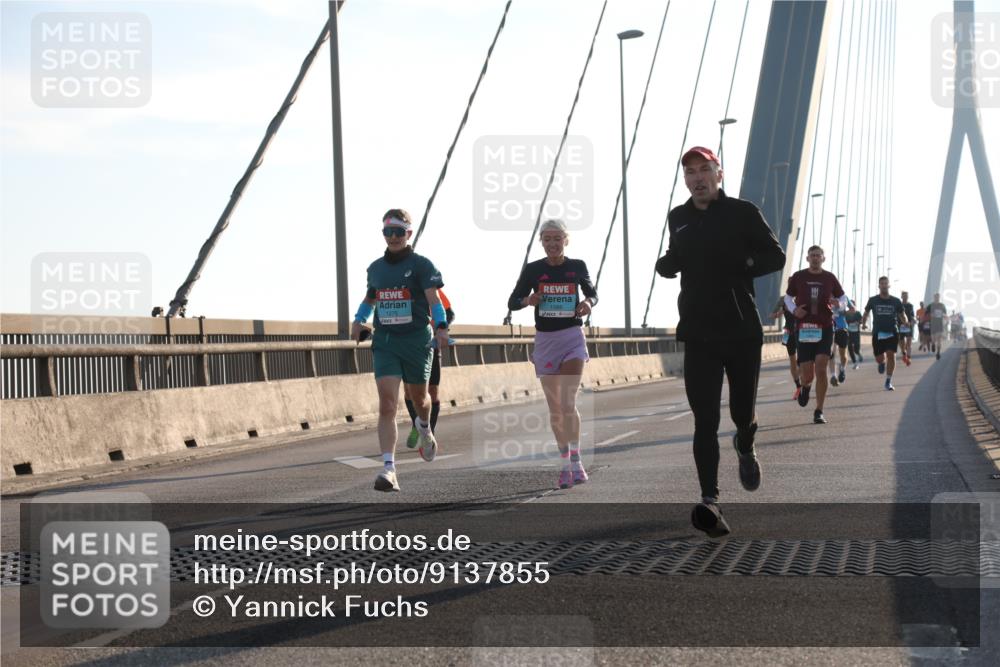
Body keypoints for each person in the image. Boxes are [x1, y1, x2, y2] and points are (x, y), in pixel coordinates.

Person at [655, 146, 785, 538]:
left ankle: (745, 444)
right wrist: (667, 263)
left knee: (741, 414)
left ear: (719, 174)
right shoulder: (678, 218)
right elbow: (677, 255)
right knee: (704, 419)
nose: (697, 178)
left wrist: (743, 264)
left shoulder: (743, 213)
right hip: (698, 333)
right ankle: (710, 500)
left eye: (704, 170)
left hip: (742, 332)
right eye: (690, 172)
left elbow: (774, 256)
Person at [351, 209, 449, 492]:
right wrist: (359, 320)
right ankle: (389, 469)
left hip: (417, 341)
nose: (393, 237)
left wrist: (441, 326)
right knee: (387, 404)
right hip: (386, 342)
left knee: (421, 399)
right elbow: (370, 299)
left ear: (408, 233)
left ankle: (425, 429)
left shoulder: (422, 265)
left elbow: (434, 301)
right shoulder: (376, 268)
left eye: (398, 232)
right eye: (387, 232)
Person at [508, 219, 597, 491]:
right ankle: (565, 463)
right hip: (545, 341)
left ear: (565, 240)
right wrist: (528, 301)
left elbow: (593, 293)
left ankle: (576, 461)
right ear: (542, 242)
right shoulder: (534, 270)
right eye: (547, 239)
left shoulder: (577, 266)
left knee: (568, 402)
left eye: (557, 238)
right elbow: (512, 301)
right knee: (556, 408)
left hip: (571, 337)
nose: (552, 244)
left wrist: (587, 303)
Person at [784, 245, 847, 425]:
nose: (815, 258)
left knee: (821, 368)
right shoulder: (798, 276)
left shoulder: (829, 277)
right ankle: (805, 387)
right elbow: (787, 298)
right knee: (808, 375)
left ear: (823, 258)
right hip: (804, 328)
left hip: (825, 327)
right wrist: (794, 309)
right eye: (812, 255)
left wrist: (838, 304)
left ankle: (819, 410)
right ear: (807, 258)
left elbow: (843, 299)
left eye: (818, 255)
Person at [404, 290, 455, 448]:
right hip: (407, 344)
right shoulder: (398, 285)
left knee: (432, 391)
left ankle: (429, 432)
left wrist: (438, 326)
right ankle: (416, 424)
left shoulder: (430, 286)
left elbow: (450, 313)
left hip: (430, 344)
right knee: (409, 391)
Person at [862, 276, 906, 391]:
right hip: (878, 332)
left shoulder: (896, 301)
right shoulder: (873, 300)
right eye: (882, 283)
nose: (884, 285)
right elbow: (866, 313)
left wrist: (905, 322)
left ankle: (888, 381)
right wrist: (863, 323)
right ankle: (881, 363)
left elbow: (902, 314)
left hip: (892, 331)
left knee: (891, 354)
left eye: (886, 283)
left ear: (889, 285)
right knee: (879, 358)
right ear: (879, 286)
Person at [770, 284, 802, 401]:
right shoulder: (783, 300)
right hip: (788, 333)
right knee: (792, 361)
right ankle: (798, 387)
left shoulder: (802, 298)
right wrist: (780, 312)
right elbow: (772, 315)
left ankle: (803, 383)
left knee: (803, 360)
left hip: (802, 332)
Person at [829, 295, 850, 386]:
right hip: (829, 329)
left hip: (842, 329)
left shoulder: (842, 297)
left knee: (843, 355)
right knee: (831, 354)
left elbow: (853, 309)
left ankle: (842, 369)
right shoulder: (824, 296)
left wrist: (845, 312)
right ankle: (833, 376)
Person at [927, 293, 948, 360]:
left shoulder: (942, 305)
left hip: (940, 324)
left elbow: (945, 314)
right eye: (936, 297)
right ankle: (933, 344)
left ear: (939, 298)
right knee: (933, 339)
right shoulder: (931, 305)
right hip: (933, 324)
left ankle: (938, 353)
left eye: (938, 297)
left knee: (939, 338)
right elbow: (926, 313)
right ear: (934, 297)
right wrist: (931, 314)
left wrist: (944, 316)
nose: (937, 298)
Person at [844, 300, 863, 368]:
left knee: (856, 348)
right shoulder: (846, 313)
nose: (851, 306)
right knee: (850, 347)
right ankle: (855, 362)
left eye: (853, 305)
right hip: (849, 333)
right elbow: (844, 321)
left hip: (856, 332)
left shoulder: (857, 313)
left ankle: (858, 353)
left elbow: (861, 320)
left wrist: (859, 322)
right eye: (850, 305)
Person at [898, 291, 915, 366]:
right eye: (904, 296)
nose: (905, 297)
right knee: (902, 343)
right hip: (900, 326)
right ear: (901, 297)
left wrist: (912, 321)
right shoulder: (898, 305)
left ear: (908, 297)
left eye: (906, 296)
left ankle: (909, 357)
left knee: (909, 342)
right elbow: (896, 315)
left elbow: (912, 315)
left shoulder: (910, 305)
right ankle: (904, 353)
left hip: (908, 325)